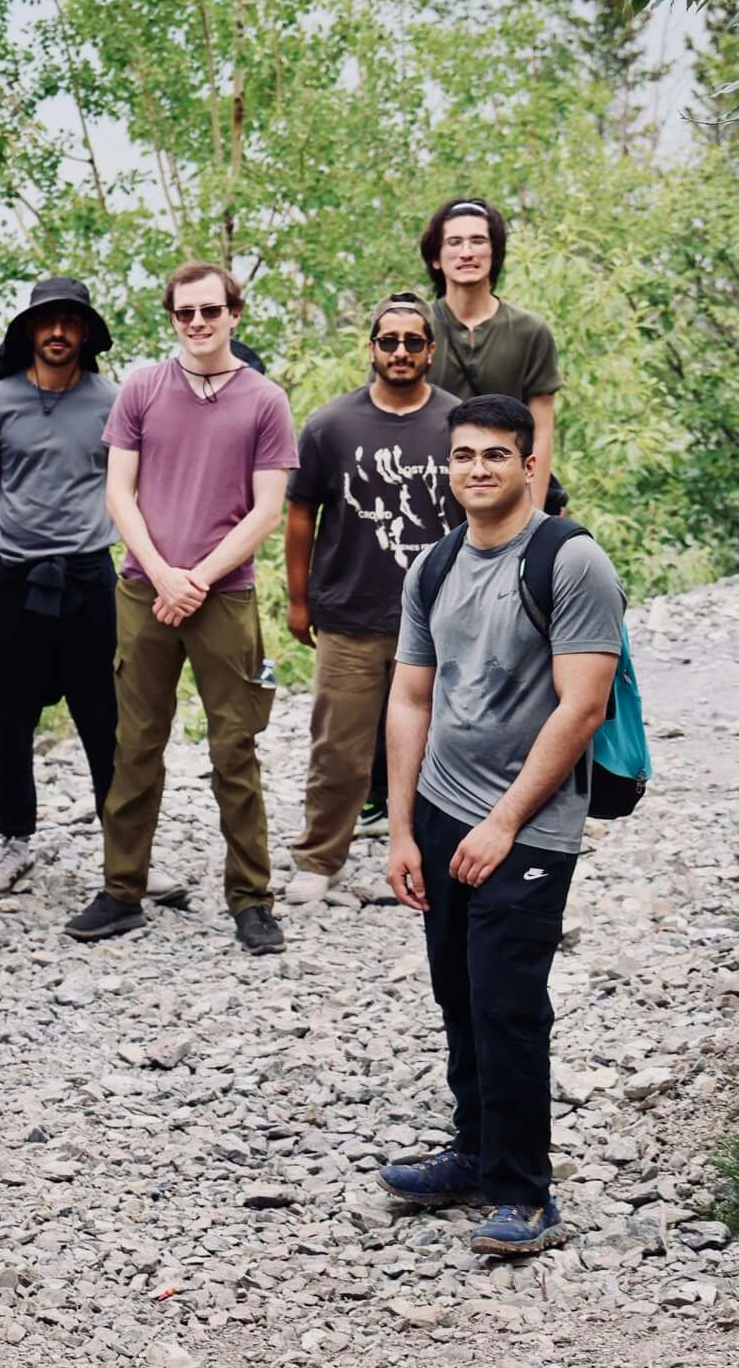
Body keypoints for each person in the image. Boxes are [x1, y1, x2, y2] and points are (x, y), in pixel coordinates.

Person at [381, 396, 624, 1258]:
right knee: (458, 988)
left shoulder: (571, 560)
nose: (477, 469)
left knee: (508, 1001)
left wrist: (504, 822)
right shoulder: (433, 566)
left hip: (529, 824)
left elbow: (583, 705)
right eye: (463, 456)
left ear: (530, 466)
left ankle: (525, 1190)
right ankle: (475, 1152)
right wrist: (403, 829)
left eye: (496, 455)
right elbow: (411, 697)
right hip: (444, 815)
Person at [77, 260, 297, 955]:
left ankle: (252, 900)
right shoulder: (142, 388)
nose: (198, 323)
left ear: (235, 312)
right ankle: (121, 889)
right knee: (135, 744)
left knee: (235, 748)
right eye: (184, 313)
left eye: (210, 310)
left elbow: (267, 510)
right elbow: (119, 494)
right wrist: (165, 574)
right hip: (146, 589)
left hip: (223, 596)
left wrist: (196, 576)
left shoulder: (265, 400)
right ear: (171, 317)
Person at [281, 296, 457, 902]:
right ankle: (319, 857)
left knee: (444, 746)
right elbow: (301, 514)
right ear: (372, 348)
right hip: (350, 613)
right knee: (340, 747)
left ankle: (439, 856)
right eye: (390, 341)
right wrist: (298, 599)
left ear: (431, 350)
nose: (401, 352)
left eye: (414, 342)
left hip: (439, 620)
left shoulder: (458, 424)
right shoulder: (331, 425)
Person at [0, 276, 120, 900]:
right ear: (29, 330)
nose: (58, 332)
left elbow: (133, 487)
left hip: (89, 574)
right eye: (46, 322)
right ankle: (13, 842)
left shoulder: (115, 401)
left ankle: (124, 847)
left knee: (103, 717)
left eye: (70, 322)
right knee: (10, 718)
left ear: (86, 332)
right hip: (14, 578)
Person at [419, 197, 561, 485]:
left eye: (478, 241)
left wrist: (533, 516)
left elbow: (542, 431)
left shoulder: (529, 330)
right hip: (426, 489)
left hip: (504, 490)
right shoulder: (413, 330)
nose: (467, 252)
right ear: (436, 257)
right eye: (455, 242)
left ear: (495, 252)